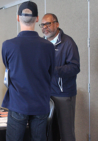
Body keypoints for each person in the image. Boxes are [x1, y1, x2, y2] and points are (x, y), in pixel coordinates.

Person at [1, 2, 55, 141]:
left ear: (18, 18)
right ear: (37, 19)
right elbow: (51, 72)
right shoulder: (49, 47)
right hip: (40, 103)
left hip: (18, 103)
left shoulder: (8, 45)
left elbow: (8, 67)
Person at [40, 13, 80, 141]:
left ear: (57, 24)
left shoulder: (68, 43)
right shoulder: (42, 43)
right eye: (42, 24)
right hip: (46, 94)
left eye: (48, 24)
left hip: (63, 94)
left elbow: (75, 68)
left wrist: (54, 70)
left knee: (66, 133)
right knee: (51, 131)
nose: (45, 27)